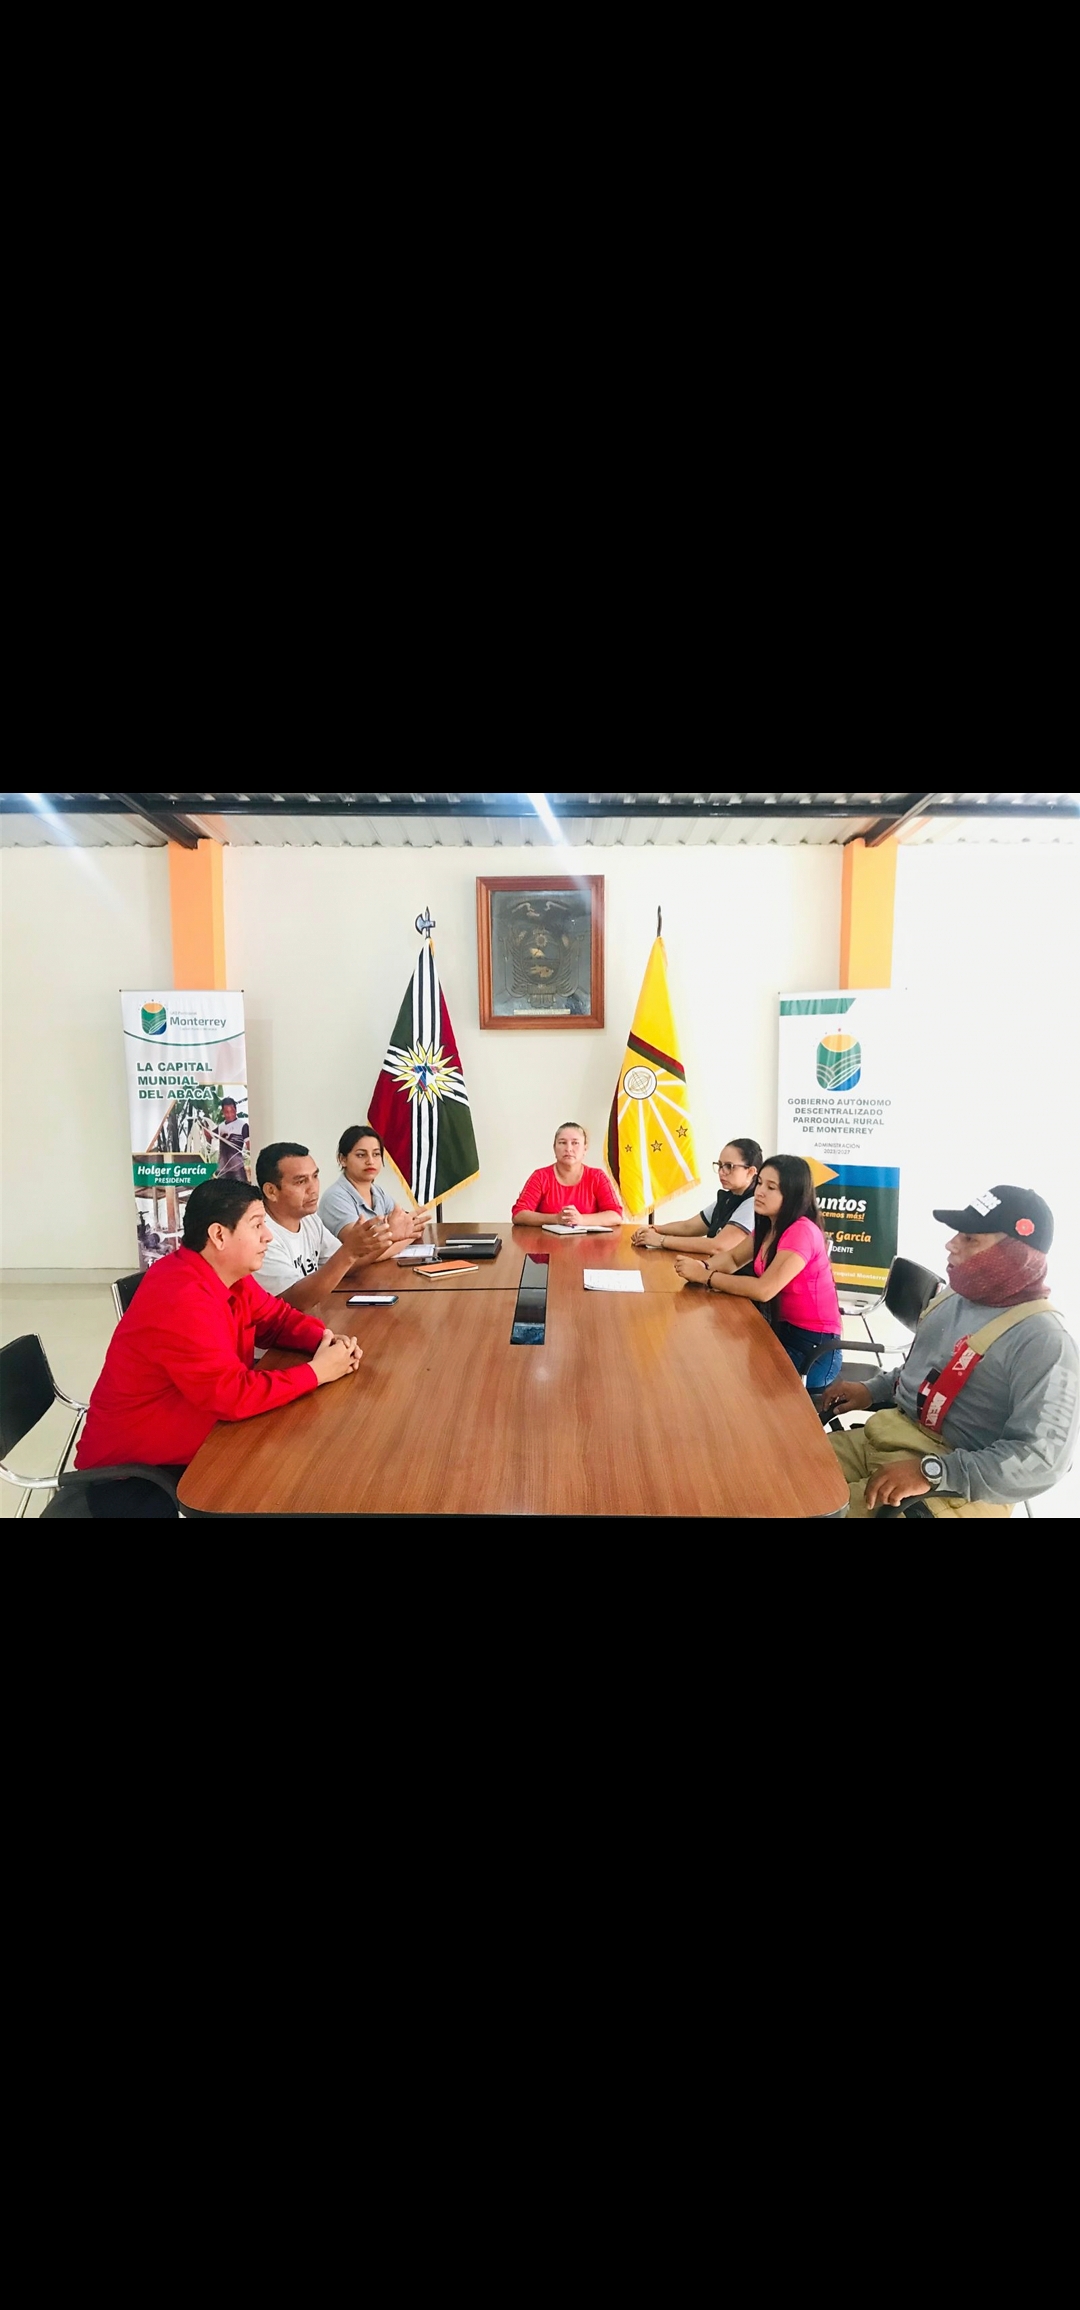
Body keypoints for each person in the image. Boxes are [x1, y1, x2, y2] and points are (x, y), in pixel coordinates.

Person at [75, 1177, 362, 1515]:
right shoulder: (182, 1298)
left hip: (206, 1435)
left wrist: (325, 1340)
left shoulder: (227, 1275)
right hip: (135, 1476)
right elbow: (232, 1396)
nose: (268, 1236)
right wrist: (317, 1372)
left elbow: (276, 1319)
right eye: (257, 1225)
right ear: (219, 1235)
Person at [820, 1184, 1078, 1519]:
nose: (951, 1244)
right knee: (781, 1474)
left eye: (970, 1239)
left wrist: (934, 1472)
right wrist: (872, 1390)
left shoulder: (1045, 1342)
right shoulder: (953, 1298)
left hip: (961, 1482)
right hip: (888, 1435)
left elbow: (1042, 1461)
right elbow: (928, 1372)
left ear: (1015, 1254)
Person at [674, 1153, 842, 1376]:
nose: (759, 1192)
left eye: (771, 1187)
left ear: (792, 1194)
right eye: (760, 1183)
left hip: (813, 1348)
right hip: (779, 1330)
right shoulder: (770, 1225)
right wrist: (702, 1267)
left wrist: (706, 1277)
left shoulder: (801, 1231)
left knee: (732, 1376)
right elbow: (733, 1259)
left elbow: (764, 1290)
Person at [257, 1141, 393, 1308]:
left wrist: (384, 1239)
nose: (313, 1188)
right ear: (271, 1191)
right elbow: (292, 1302)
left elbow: (346, 1265)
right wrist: (349, 1251)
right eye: (301, 1181)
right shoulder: (261, 1234)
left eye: (315, 1176)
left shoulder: (309, 1219)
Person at [631, 1137, 762, 1258]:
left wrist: (661, 1240)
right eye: (720, 1165)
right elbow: (688, 1227)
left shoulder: (754, 1204)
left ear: (750, 1172)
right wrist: (656, 1229)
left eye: (729, 1166)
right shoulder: (729, 1198)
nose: (721, 1172)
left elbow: (718, 1246)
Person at [319, 1124, 429, 1244]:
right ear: (342, 1159)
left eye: (376, 1154)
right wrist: (398, 1236)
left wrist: (402, 1233)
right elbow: (361, 1247)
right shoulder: (335, 1198)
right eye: (361, 1155)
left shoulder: (378, 1192)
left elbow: (407, 1226)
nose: (370, 1161)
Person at [513, 1122, 624, 1229]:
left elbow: (616, 1215)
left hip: (589, 1241)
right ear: (554, 1148)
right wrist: (556, 1219)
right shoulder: (540, 1176)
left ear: (585, 1149)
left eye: (575, 1143)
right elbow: (519, 1214)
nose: (569, 1149)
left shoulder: (597, 1176)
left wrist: (581, 1220)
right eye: (562, 1143)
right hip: (546, 1241)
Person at [215, 1098, 250, 1180]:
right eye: (227, 1112)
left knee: (240, 1187)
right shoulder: (220, 1127)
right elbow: (210, 1138)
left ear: (236, 1110)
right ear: (223, 1112)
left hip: (237, 1168)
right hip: (222, 1169)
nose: (230, 1114)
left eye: (232, 1111)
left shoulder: (243, 1125)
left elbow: (249, 1145)